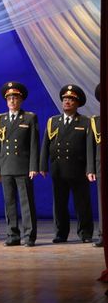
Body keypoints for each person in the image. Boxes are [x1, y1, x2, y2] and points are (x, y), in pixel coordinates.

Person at [40, 85, 94, 244]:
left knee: (82, 203)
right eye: (65, 99)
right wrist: (42, 165)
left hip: (78, 169)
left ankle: (85, 233)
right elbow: (45, 145)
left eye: (71, 99)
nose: (67, 102)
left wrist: (90, 169)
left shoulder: (85, 122)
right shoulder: (53, 121)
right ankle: (61, 233)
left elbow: (90, 148)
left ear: (77, 103)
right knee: (59, 204)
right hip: (58, 169)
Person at [0, 81, 39, 247]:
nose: (12, 101)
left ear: (21, 100)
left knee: (26, 203)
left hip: (23, 166)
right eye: (9, 98)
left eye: (15, 98)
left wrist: (33, 167)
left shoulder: (29, 117)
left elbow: (34, 144)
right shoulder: (0, 119)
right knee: (9, 203)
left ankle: (29, 236)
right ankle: (12, 235)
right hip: (5, 166)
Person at [88, 84, 102, 247]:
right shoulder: (95, 121)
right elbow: (90, 147)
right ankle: (103, 234)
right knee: (102, 202)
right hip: (101, 167)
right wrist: (90, 168)